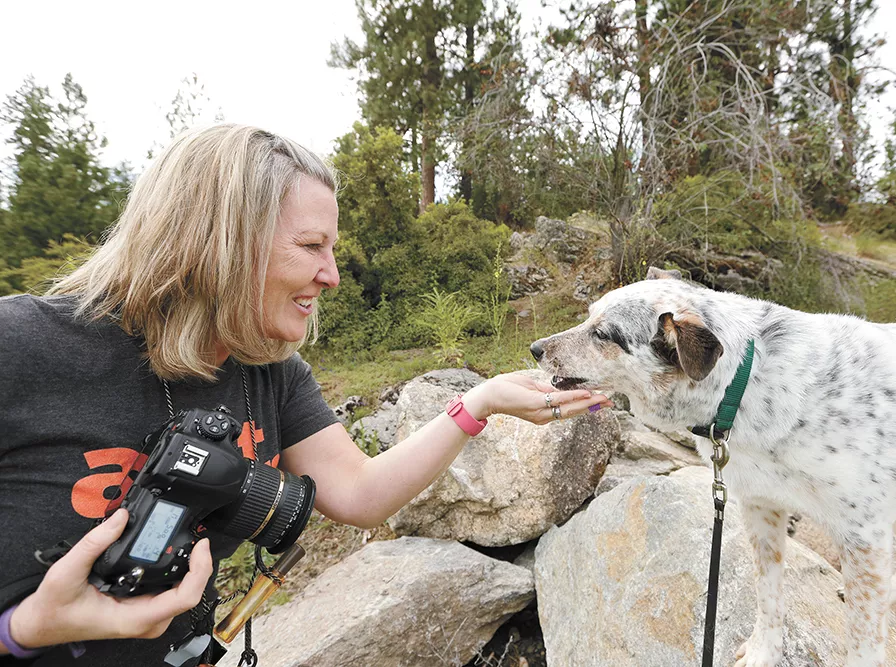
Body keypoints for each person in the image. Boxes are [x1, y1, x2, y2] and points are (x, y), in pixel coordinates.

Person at [0, 124, 612, 665]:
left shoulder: (270, 371)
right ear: (221, 240)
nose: (333, 275)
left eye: (333, 250)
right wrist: (20, 631)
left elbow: (361, 493)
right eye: (311, 246)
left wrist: (478, 403)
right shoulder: (21, 347)